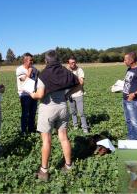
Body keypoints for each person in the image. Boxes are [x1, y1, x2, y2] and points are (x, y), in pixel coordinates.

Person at [30, 50, 80, 181]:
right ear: (57, 60)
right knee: (64, 138)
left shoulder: (43, 74)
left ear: (46, 61)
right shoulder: (64, 71)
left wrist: (32, 95)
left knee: (46, 141)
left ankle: (44, 171)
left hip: (47, 109)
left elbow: (40, 94)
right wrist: (67, 95)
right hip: (63, 107)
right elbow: (79, 83)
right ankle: (69, 166)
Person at [16, 53, 38, 135]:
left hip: (33, 94)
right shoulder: (20, 69)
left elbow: (37, 81)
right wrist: (29, 72)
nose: (32, 62)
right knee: (25, 113)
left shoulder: (34, 69)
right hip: (24, 95)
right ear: (25, 61)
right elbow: (23, 80)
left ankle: (31, 129)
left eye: (32, 60)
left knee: (33, 113)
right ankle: (24, 131)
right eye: (30, 60)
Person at [67, 56, 89, 133]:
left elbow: (81, 82)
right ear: (68, 63)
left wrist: (73, 75)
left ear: (76, 62)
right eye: (71, 63)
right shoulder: (67, 71)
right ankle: (75, 125)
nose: (72, 64)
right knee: (73, 112)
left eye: (74, 62)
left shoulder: (80, 70)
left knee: (81, 112)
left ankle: (85, 128)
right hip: (70, 95)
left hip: (79, 94)